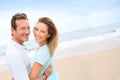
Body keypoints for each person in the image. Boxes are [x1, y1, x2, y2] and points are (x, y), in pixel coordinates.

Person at [5, 13, 52, 80]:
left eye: (28, 28)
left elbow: (17, 74)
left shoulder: (19, 46)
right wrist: (45, 76)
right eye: (23, 28)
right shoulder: (15, 54)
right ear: (13, 30)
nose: (27, 32)